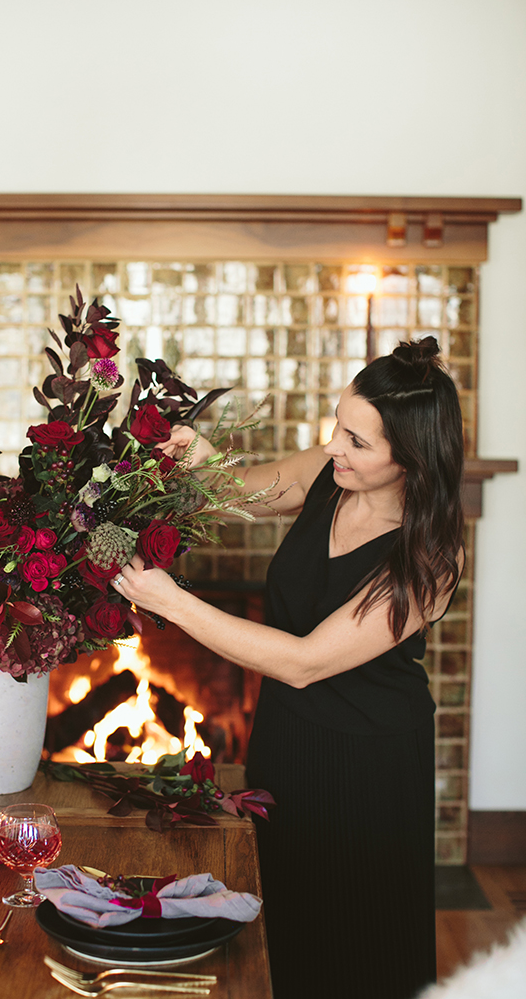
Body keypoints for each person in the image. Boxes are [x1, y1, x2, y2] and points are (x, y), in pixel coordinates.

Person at [110, 337, 465, 999]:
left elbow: (304, 662)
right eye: (337, 425)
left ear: (411, 459)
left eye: (357, 441)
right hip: (285, 738)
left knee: (360, 943)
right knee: (286, 927)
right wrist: (199, 457)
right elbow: (242, 489)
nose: (335, 446)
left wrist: (172, 601)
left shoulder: (431, 556)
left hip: (368, 765)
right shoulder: (331, 473)